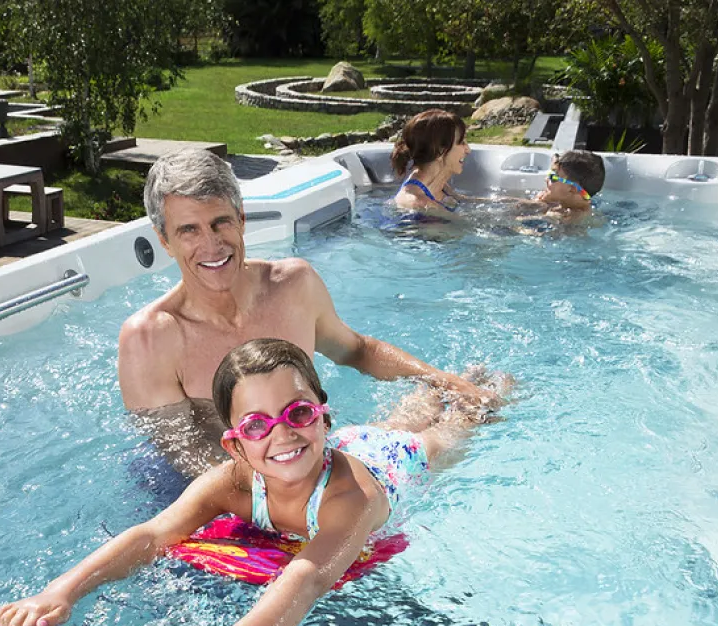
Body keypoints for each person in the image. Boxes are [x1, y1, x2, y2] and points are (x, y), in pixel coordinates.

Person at [0, 338, 487, 626]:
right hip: (343, 444)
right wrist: (57, 593)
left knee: (445, 431)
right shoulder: (232, 480)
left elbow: (309, 576)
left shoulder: (351, 498)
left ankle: (487, 385)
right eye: (256, 425)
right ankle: (429, 394)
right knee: (396, 418)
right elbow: (153, 534)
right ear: (233, 445)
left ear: (323, 414)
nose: (282, 433)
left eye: (298, 413)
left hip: (388, 465)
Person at [119, 148, 499, 477]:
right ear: (165, 240)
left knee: (466, 403)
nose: (211, 245)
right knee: (434, 439)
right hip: (233, 490)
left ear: (242, 220)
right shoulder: (151, 339)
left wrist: (442, 380)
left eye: (221, 222)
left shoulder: (293, 285)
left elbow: (358, 351)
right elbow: (184, 455)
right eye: (189, 230)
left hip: (307, 456)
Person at [391, 109, 471, 215]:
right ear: (440, 152)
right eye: (461, 142)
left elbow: (466, 201)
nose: (468, 150)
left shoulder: (440, 186)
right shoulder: (419, 204)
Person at [519, 150, 606, 222]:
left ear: (572, 189)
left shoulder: (568, 217)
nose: (546, 179)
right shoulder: (567, 203)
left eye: (553, 178)